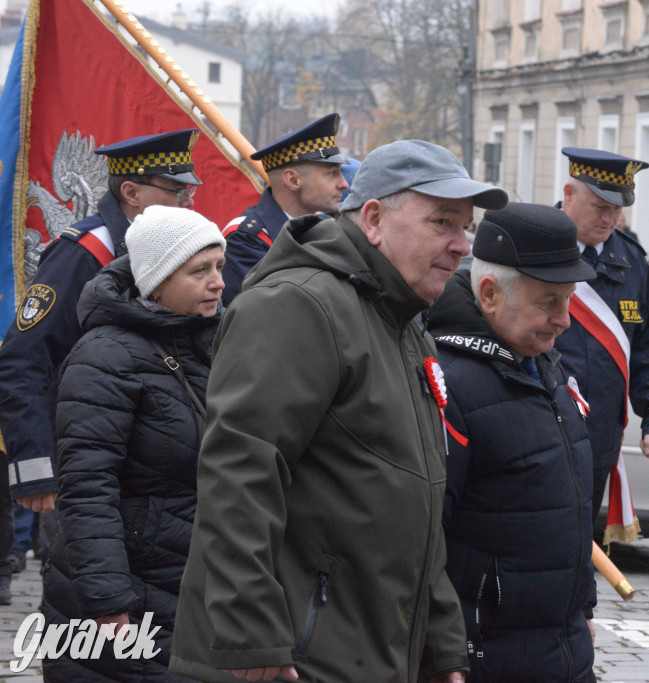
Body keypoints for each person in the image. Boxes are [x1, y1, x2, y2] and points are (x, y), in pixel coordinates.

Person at [169, 139, 508, 682]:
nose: (460, 245)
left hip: (366, 649)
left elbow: (418, 501)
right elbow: (240, 475)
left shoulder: (403, 325)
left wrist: (442, 645)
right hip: (292, 657)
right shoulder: (299, 305)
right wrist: (250, 630)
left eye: (465, 226)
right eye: (442, 222)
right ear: (373, 219)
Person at [0, 129, 202, 602]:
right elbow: (22, 360)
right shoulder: (84, 252)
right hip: (85, 462)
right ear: (130, 192)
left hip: (153, 464)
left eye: (190, 191)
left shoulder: (172, 247)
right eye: (176, 191)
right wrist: (34, 466)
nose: (189, 203)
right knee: (88, 599)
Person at [42, 205, 225, 680]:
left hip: (190, 582)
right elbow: (86, 487)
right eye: (200, 270)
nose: (218, 282)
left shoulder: (216, 343)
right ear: (158, 283)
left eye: (220, 267)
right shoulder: (106, 356)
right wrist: (107, 600)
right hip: (128, 595)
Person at [425, 203, 598, 682]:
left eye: (568, 300)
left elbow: (569, 507)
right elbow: (423, 540)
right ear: (489, 294)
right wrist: (445, 650)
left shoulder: (543, 363)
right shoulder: (448, 384)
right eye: (548, 301)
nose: (564, 319)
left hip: (562, 652)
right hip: (486, 657)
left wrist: (582, 607)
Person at [554, 147, 649, 540]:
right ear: (569, 194)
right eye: (599, 207)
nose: (610, 219)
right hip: (542, 426)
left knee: (582, 545)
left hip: (601, 436)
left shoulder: (631, 262)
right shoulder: (535, 246)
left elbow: (645, 350)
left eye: (617, 209)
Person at [221, 113, 348, 305]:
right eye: (332, 174)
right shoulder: (246, 238)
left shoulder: (328, 228)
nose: (344, 184)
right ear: (293, 180)